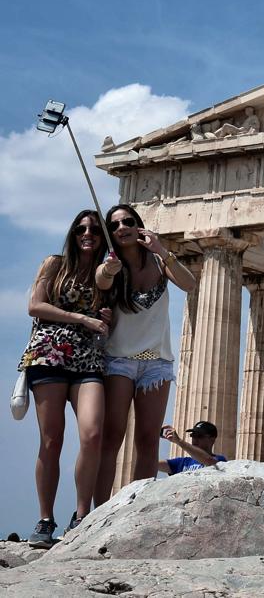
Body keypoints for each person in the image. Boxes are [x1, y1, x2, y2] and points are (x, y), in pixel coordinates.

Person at [19, 210, 111, 547]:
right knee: (51, 440)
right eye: (81, 229)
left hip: (88, 358)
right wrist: (81, 318)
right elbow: (35, 306)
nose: (88, 234)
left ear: (103, 238)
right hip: (50, 353)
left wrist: (105, 318)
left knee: (92, 433)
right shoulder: (54, 264)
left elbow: (110, 321)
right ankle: (45, 520)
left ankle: (81, 515)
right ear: (73, 233)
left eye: (95, 231)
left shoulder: (107, 275)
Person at [93, 204, 196, 505]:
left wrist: (163, 251)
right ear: (110, 233)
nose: (122, 227)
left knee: (149, 439)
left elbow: (190, 284)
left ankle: (138, 508)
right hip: (119, 360)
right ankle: (95, 512)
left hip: (157, 363)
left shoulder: (158, 261)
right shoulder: (111, 265)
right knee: (112, 437)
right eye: (115, 225)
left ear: (138, 225)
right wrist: (109, 269)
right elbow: (101, 279)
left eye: (128, 221)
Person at [158, 421, 226, 475]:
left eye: (199, 436)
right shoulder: (183, 462)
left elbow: (208, 460)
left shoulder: (220, 460)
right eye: (193, 435)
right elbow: (155, 464)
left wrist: (179, 441)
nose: (195, 439)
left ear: (212, 439)